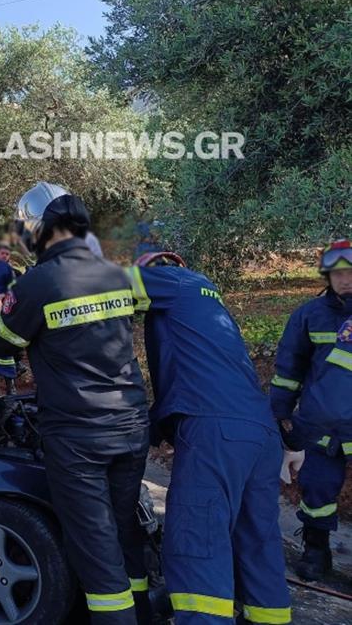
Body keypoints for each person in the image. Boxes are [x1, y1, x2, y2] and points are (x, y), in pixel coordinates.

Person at [0, 181, 150, 624]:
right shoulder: (115, 274)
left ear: (35, 229)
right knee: (124, 530)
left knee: (96, 551)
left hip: (79, 436)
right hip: (131, 425)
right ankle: (144, 611)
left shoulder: (39, 283)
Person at [128, 252, 291, 624]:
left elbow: (104, 282)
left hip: (218, 431)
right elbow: (187, 373)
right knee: (257, 542)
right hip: (259, 431)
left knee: (196, 541)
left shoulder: (176, 281)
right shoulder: (206, 310)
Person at [270, 238, 352, 580]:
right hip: (322, 425)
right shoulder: (309, 316)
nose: (345, 280)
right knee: (317, 489)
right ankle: (316, 550)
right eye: (338, 274)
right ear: (327, 276)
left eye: (351, 272)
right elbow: (289, 370)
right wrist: (278, 414)